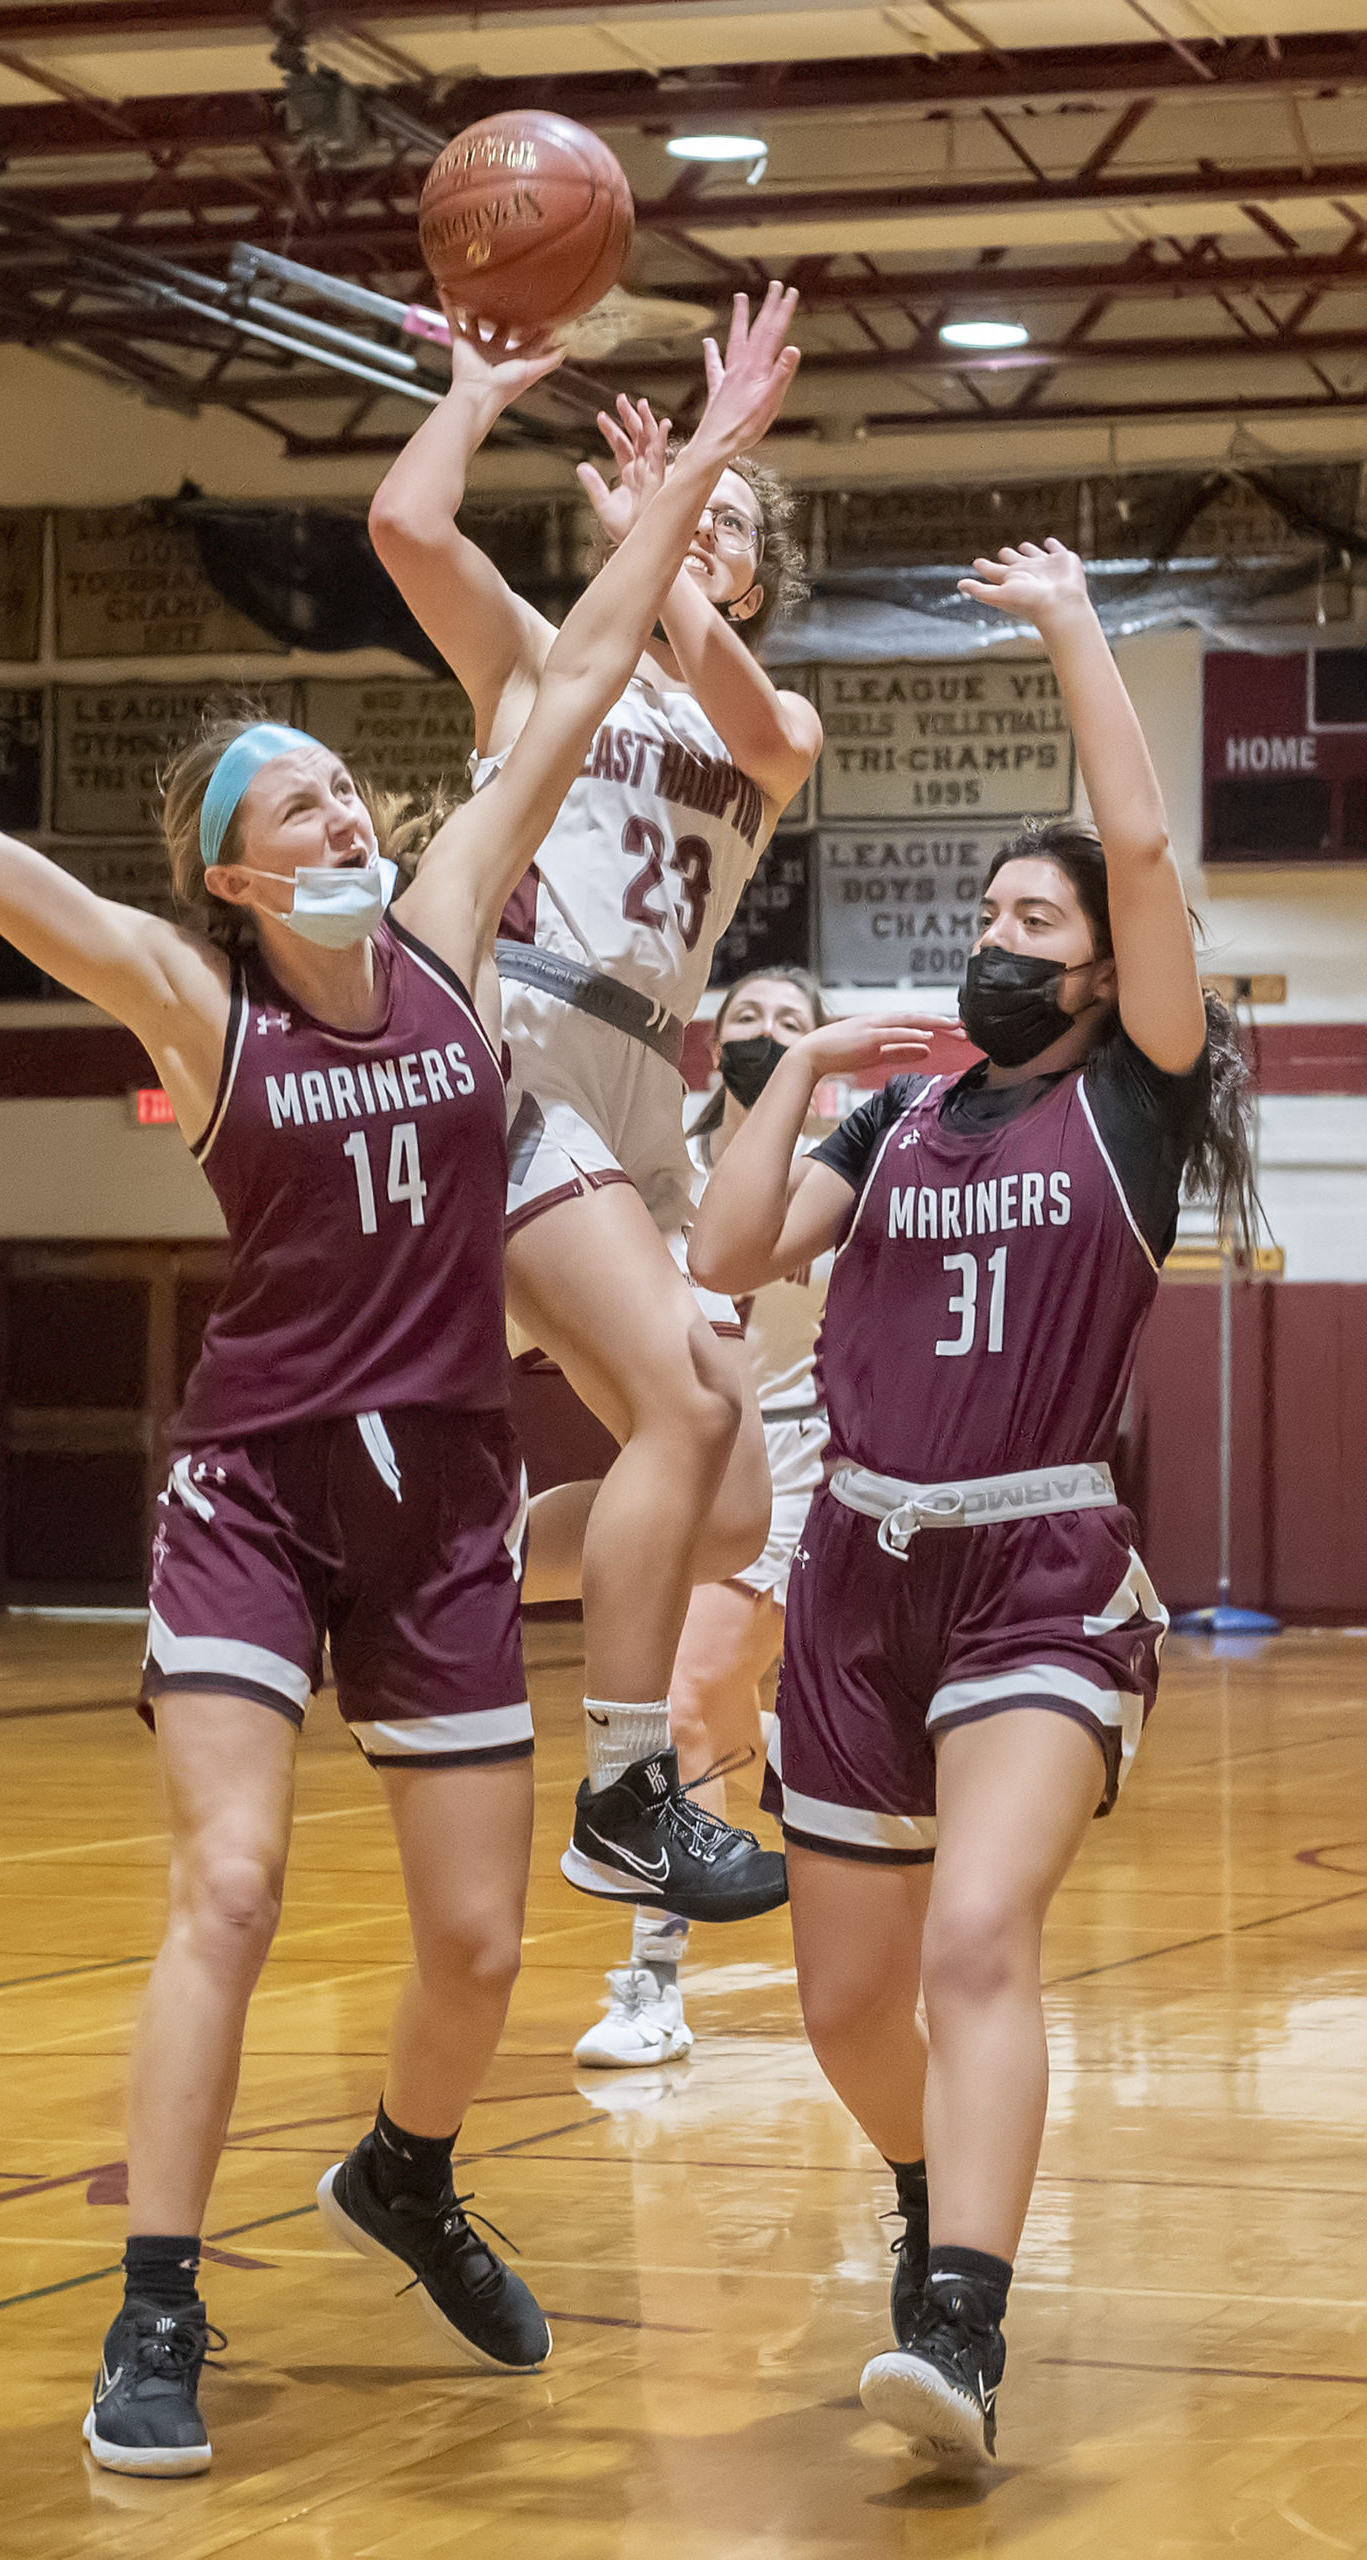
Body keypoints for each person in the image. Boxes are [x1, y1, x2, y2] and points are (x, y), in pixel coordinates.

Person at [0, 314, 799, 2479]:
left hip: (436, 1506)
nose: (331, 792)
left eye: (335, 772)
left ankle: (405, 2168)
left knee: (483, 1944)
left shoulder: (441, 924)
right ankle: (156, 2302)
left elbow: (592, 659)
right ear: (228, 869)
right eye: (279, 793)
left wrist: (699, 456)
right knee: (226, 1886)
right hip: (252, 1489)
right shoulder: (197, 998)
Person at [691, 538, 1258, 2474]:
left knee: (977, 1940)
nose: (998, 931)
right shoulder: (903, 1115)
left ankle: (961, 2318)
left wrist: (1072, 629)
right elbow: (723, 1242)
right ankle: (935, 2194)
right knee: (844, 1994)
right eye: (991, 906)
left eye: (1037, 912)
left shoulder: (1136, 1097)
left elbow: (1148, 850)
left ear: (1102, 961)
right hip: (853, 1561)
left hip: (1034, 1564)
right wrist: (799, 1074)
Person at [370, 293, 821, 1923]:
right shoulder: (547, 666)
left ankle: (442, 1566)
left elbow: (765, 727)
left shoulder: (767, 731)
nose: (704, 528)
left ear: (748, 574)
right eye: (693, 512)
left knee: (736, 1503)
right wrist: (477, 397)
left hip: (646, 1104)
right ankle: (628, 1789)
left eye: (732, 526)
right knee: (690, 1418)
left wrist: (682, 496)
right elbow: (409, 525)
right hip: (523, 1057)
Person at [573, 966, 832, 2069]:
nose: (763, 1035)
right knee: (691, 1707)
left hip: (821, 1451)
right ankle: (654, 1987)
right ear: (708, 1041)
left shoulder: (840, 1163)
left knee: (736, 1708)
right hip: (707, 1447)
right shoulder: (659, 1154)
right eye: (746, 1019)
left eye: (789, 1023)